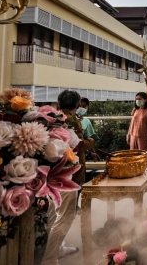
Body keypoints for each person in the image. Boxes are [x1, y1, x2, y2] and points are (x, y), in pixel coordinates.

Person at [41, 90, 95, 265]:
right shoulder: (69, 121)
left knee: (53, 213)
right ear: (77, 105)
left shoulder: (52, 117)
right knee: (64, 217)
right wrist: (91, 142)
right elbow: (77, 146)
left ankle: (59, 248)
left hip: (51, 173)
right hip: (66, 173)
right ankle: (49, 260)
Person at [127, 92, 147, 164]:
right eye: (136, 99)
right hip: (133, 136)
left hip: (143, 138)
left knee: (144, 158)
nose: (137, 101)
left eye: (140, 99)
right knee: (133, 157)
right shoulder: (135, 109)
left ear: (145, 100)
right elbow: (132, 123)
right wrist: (128, 135)